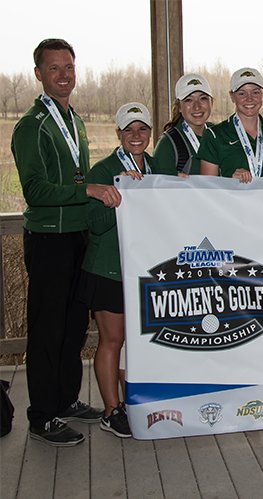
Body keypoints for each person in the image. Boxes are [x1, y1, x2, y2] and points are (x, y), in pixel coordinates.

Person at [12, 38, 113, 446]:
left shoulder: (76, 121)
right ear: (38, 73)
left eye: (69, 66)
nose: (64, 74)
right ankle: (41, 416)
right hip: (49, 240)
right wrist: (86, 190)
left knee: (73, 328)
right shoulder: (30, 126)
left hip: (77, 238)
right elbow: (35, 191)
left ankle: (67, 400)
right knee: (48, 330)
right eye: (54, 68)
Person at [82, 103, 164, 438]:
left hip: (145, 269)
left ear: (150, 133)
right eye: (128, 129)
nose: (136, 135)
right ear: (118, 133)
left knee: (138, 341)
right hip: (109, 270)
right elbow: (94, 225)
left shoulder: (158, 167)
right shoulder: (104, 170)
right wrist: (119, 197)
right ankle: (111, 410)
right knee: (113, 339)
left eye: (142, 129)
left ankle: (133, 403)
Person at [197, 67, 263, 182]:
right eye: (242, 93)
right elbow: (208, 188)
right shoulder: (214, 135)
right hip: (230, 200)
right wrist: (230, 181)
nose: (249, 99)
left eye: (255, 92)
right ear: (232, 96)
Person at [153, 73, 213, 176]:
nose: (197, 106)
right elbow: (159, 188)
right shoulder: (167, 144)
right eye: (188, 100)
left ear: (211, 102)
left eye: (203, 98)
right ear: (179, 107)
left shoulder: (218, 134)